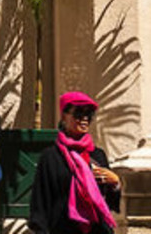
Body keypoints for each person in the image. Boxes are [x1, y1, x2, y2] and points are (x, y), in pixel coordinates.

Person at [28, 92, 121, 234]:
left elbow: (109, 205)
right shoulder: (51, 157)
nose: (84, 119)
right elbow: (40, 203)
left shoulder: (97, 156)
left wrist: (115, 184)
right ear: (64, 116)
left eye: (89, 114)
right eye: (78, 113)